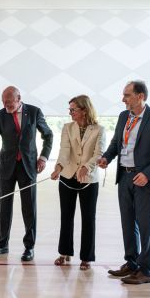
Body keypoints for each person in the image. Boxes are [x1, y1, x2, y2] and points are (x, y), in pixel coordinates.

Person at [98, 80, 150, 284]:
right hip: (124, 177)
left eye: (127, 95)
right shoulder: (124, 116)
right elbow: (116, 143)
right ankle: (131, 263)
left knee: (145, 225)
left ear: (140, 96)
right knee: (127, 223)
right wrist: (106, 157)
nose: (123, 99)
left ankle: (146, 270)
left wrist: (148, 173)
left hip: (145, 180)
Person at [0, 86, 53, 261]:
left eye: (9, 102)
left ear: (19, 98)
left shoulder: (35, 112)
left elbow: (48, 135)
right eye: (4, 103)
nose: (6, 106)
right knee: (5, 207)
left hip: (29, 166)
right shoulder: (0, 116)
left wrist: (43, 158)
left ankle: (29, 247)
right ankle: (2, 244)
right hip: (7, 166)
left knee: (29, 208)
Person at [50, 95, 105, 271]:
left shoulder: (99, 130)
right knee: (66, 216)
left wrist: (86, 168)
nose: (70, 113)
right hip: (67, 177)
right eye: (70, 109)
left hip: (88, 180)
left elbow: (98, 154)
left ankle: (86, 257)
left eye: (73, 109)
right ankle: (64, 252)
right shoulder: (67, 128)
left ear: (84, 110)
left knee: (88, 218)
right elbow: (64, 150)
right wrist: (58, 167)